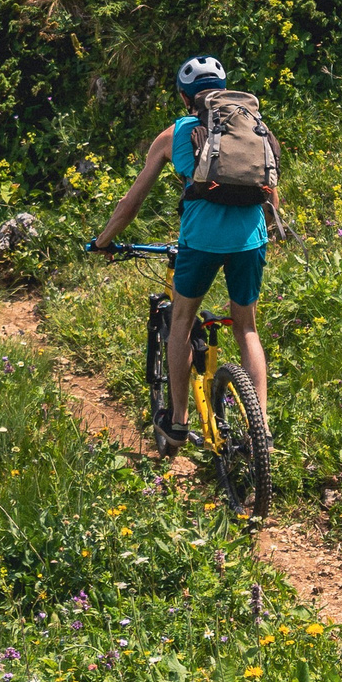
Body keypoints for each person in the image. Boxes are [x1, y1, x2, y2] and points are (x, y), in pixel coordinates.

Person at [91, 56, 270, 456]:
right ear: (224, 87)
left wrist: (104, 240)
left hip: (200, 243)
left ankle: (177, 423)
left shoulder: (173, 136)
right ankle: (263, 432)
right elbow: (269, 187)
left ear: (184, 96)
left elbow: (131, 203)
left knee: (182, 323)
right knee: (247, 329)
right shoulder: (252, 127)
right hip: (250, 240)